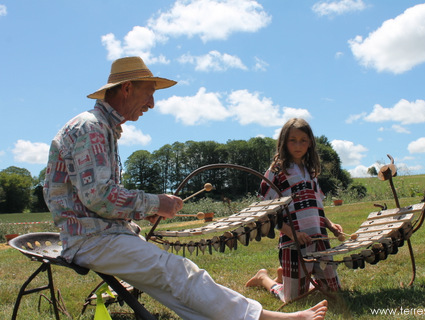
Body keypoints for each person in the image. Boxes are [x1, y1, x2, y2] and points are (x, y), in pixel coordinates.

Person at [43, 57, 328, 320]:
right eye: (149, 93)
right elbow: (98, 196)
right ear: (127, 88)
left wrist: (139, 213)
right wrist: (156, 203)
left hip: (100, 234)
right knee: (178, 272)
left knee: (172, 286)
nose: (152, 103)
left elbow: (94, 198)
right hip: (91, 240)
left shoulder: (101, 128)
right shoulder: (91, 128)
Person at [246, 118, 342, 303]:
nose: (298, 145)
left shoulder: (311, 171)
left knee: (334, 291)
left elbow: (317, 207)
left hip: (319, 239)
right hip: (293, 243)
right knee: (293, 299)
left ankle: (290, 276)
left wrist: (330, 226)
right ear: (284, 142)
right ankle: (264, 279)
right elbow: (266, 212)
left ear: (310, 143)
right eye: (293, 140)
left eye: (303, 140)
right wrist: (293, 234)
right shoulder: (277, 171)